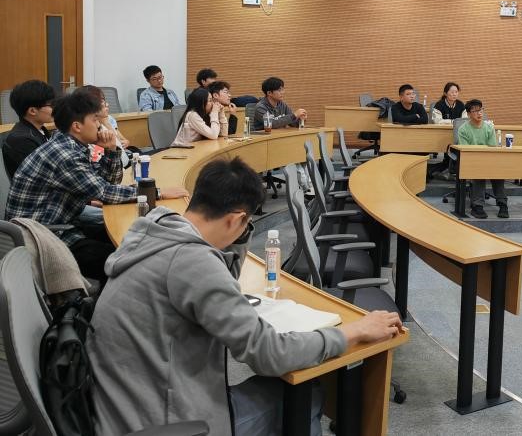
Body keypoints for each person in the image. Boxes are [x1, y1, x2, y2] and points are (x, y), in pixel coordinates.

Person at [87, 157, 403, 435]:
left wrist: (239, 233)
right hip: (164, 422)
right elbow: (270, 354)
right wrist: (354, 331)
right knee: (306, 393)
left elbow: (222, 280)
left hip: (122, 407)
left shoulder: (155, 229)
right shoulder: (192, 262)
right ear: (237, 218)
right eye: (245, 223)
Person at [5, 91, 188, 281]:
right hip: (44, 237)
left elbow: (108, 182)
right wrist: (157, 192)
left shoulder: (71, 145)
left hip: (61, 224)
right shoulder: (65, 155)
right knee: (127, 260)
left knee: (132, 238)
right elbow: (105, 192)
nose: (100, 125)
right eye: (95, 120)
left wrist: (111, 150)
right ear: (77, 126)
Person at [457, 99, 508, 219]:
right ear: (468, 114)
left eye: (481, 110)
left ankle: (502, 204)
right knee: (478, 172)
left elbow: (492, 148)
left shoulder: (489, 127)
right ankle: (477, 205)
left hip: (488, 159)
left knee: (498, 173)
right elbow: (465, 151)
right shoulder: (463, 129)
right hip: (471, 160)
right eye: (475, 111)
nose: (479, 113)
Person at [2, 79, 55, 178]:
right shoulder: (21, 140)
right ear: (32, 111)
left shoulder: (40, 130)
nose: (55, 108)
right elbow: (44, 174)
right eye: (51, 105)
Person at [78, 85, 131, 167]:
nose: (107, 104)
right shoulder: (91, 132)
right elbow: (96, 165)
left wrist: (106, 123)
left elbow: (124, 160)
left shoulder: (105, 123)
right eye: (102, 101)